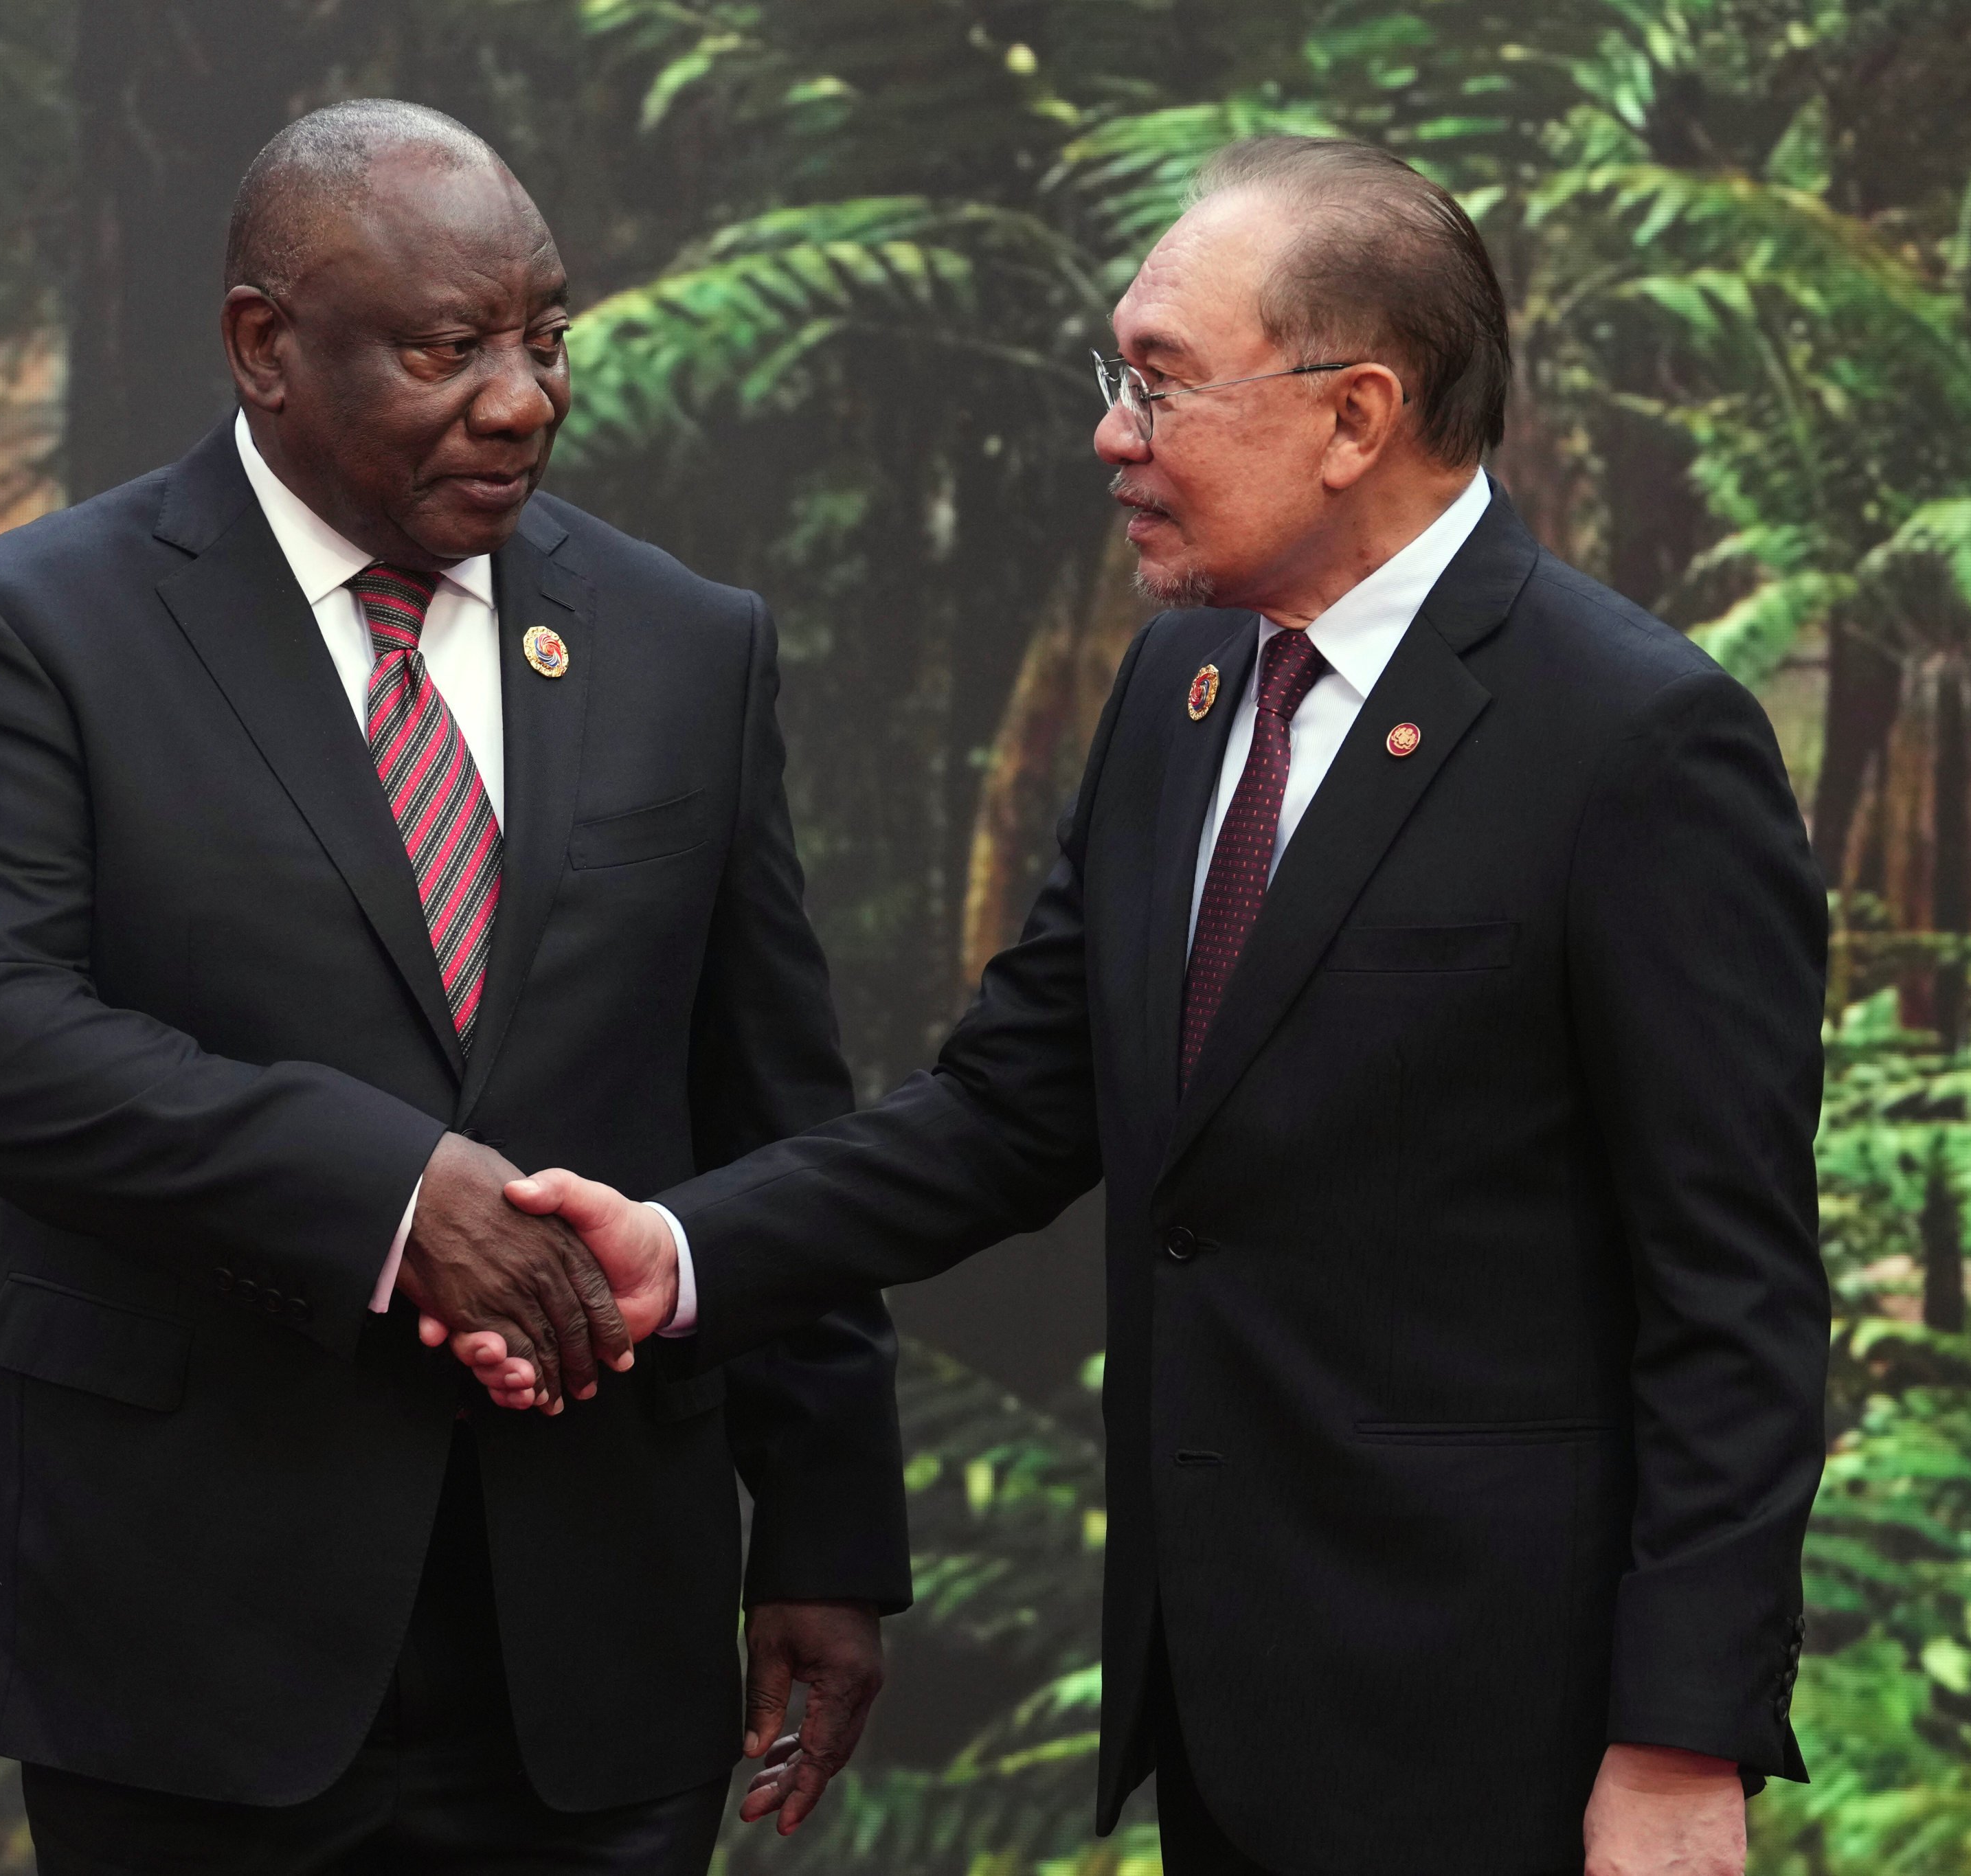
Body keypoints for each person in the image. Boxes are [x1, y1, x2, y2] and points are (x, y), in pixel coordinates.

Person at [462, 136, 1830, 1876]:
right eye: (1113, 379)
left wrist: (1679, 1741)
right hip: (1227, 1711)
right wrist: (677, 1251)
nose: (1111, 435)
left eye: (1160, 384)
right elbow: (1004, 1110)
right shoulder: (1182, 687)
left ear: (1353, 416)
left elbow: (1732, 1295)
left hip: (1507, 1730)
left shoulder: (1634, 742)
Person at [0, 100, 909, 1875]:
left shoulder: (684, 643)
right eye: (448, 350)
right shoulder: (37, 628)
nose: (520, 400)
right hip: (190, 1640)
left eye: (544, 338)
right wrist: (388, 1195)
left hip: (594, 1640)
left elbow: (771, 1109)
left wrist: (823, 1526)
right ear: (263, 346)